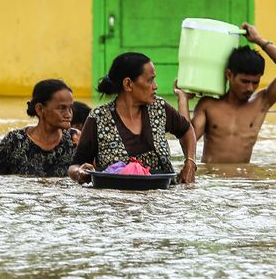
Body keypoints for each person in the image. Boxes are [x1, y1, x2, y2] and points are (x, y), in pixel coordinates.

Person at [174, 23, 276, 163]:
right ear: (229, 75)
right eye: (244, 82)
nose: (250, 88)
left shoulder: (261, 102)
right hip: (214, 181)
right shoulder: (208, 105)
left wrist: (259, 40)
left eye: (255, 82)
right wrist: (182, 99)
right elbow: (187, 141)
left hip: (243, 182)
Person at [69, 52, 197, 184]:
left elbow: (187, 130)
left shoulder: (160, 108)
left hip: (161, 198)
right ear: (128, 84)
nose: (155, 86)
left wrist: (190, 163)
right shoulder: (98, 118)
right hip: (117, 201)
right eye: (150, 80)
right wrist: (80, 173)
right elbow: (75, 166)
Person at [0, 79, 78, 177]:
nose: (69, 114)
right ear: (40, 109)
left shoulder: (75, 141)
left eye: (71, 108)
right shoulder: (15, 141)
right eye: (62, 108)